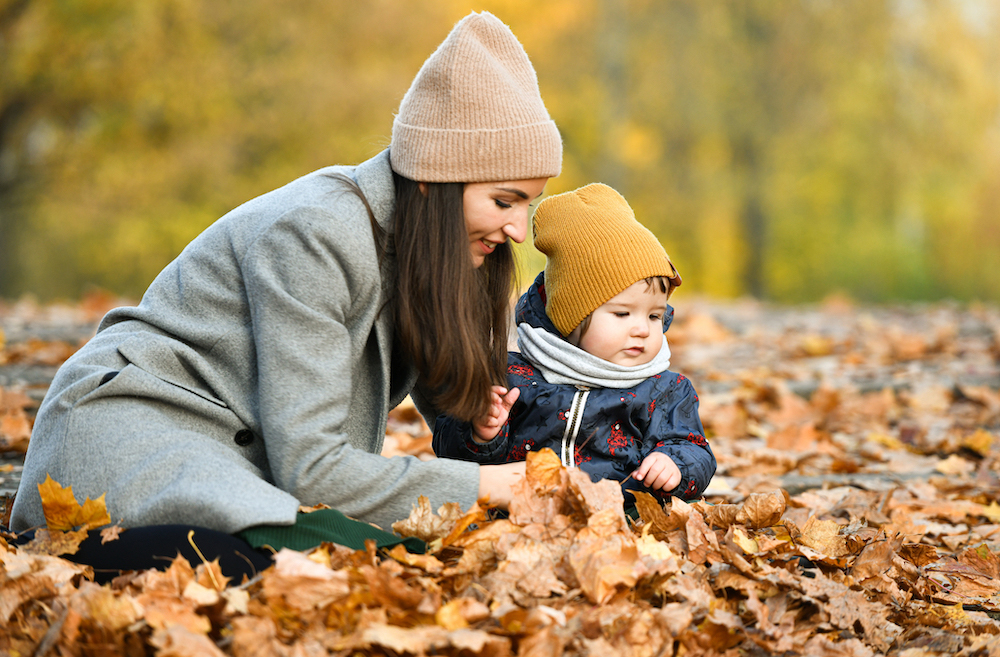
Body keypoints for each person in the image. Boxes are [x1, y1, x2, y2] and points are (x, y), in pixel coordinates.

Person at [7, 11, 561, 579]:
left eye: (529, 205)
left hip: (233, 464)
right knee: (324, 564)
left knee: (417, 557)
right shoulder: (317, 234)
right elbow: (314, 471)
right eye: (504, 201)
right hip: (131, 440)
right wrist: (488, 486)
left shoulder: (441, 252)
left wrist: (485, 439)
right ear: (430, 178)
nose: (519, 230)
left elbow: (453, 428)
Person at [433, 183, 716, 504]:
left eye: (654, 316)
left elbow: (695, 449)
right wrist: (481, 434)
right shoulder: (511, 376)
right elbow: (451, 455)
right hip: (525, 523)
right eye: (622, 313)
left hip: (623, 526)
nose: (642, 328)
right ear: (571, 316)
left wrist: (674, 464)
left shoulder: (664, 391)